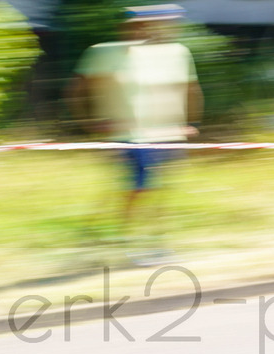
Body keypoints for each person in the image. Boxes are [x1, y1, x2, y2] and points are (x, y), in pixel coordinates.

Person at [67, 4, 202, 236]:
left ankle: (107, 232)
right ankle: (125, 236)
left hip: (168, 135)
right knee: (140, 188)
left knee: (157, 190)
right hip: (128, 137)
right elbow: (75, 91)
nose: (145, 30)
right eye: (137, 25)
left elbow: (191, 89)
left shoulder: (178, 52)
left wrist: (192, 124)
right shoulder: (102, 52)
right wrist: (89, 123)